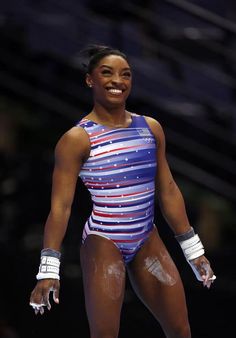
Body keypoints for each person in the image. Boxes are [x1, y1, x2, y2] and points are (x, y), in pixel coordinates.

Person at [29, 44, 216, 338]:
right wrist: (48, 269)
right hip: (104, 240)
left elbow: (167, 189)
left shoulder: (150, 128)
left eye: (125, 74)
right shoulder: (77, 139)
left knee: (181, 331)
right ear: (90, 80)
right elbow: (61, 207)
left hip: (146, 237)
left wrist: (194, 250)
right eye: (107, 73)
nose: (118, 80)